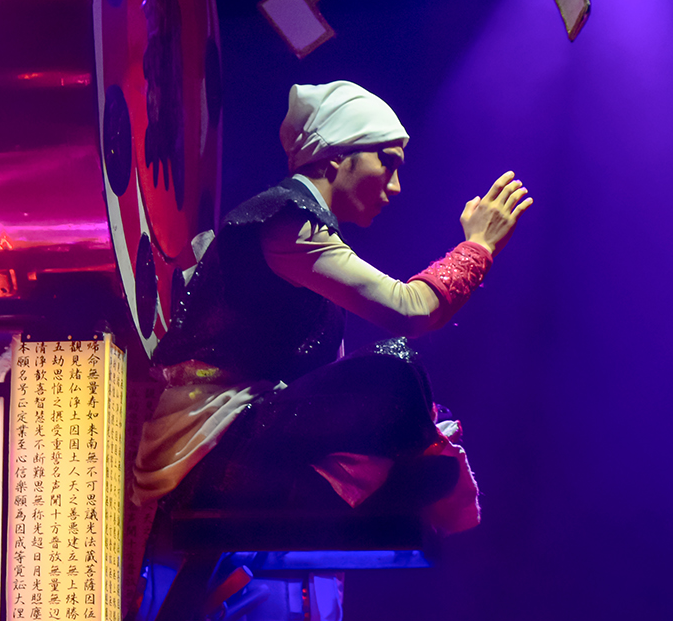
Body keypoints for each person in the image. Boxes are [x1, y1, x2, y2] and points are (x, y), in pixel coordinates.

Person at [136, 80, 532, 530]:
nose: (396, 186)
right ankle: (392, 478)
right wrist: (477, 248)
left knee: (401, 389)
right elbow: (410, 309)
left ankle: (394, 475)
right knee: (393, 370)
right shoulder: (288, 224)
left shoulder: (307, 232)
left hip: (250, 432)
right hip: (217, 444)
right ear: (336, 156)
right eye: (387, 163)